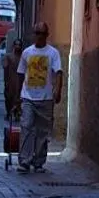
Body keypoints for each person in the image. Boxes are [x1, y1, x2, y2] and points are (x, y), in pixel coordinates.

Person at [17, 21, 62, 173]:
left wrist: (58, 90)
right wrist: (17, 96)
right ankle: (24, 160)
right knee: (27, 126)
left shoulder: (53, 53)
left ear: (47, 36)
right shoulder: (27, 53)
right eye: (37, 33)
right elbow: (21, 74)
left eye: (42, 34)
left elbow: (58, 72)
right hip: (28, 97)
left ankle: (39, 162)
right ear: (33, 35)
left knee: (42, 131)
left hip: (46, 98)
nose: (39, 37)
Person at [2, 38, 23, 121]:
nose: (17, 46)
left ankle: (17, 113)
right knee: (8, 97)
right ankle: (8, 113)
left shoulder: (23, 57)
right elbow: (5, 68)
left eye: (19, 45)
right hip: (10, 80)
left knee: (18, 97)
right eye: (16, 44)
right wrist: (6, 81)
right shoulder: (8, 56)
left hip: (20, 80)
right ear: (13, 46)